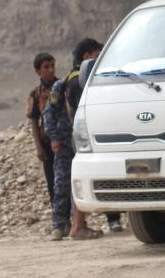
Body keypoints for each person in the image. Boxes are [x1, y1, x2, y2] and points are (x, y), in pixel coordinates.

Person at [64, 37, 123, 233]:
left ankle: (105, 220)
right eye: (97, 56)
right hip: (85, 136)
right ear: (86, 57)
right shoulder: (77, 81)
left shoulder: (77, 78)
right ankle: (79, 226)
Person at [45, 58, 104, 241]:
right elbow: (49, 113)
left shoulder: (88, 83)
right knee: (61, 184)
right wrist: (53, 136)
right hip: (64, 143)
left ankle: (78, 224)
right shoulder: (60, 86)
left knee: (78, 184)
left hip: (80, 141)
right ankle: (58, 226)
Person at [26, 52, 57, 212]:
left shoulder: (62, 87)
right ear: (38, 71)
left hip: (64, 142)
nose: (51, 70)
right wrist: (38, 147)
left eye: (52, 66)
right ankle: (59, 221)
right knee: (52, 183)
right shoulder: (36, 94)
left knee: (68, 182)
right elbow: (33, 120)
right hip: (46, 144)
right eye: (46, 67)